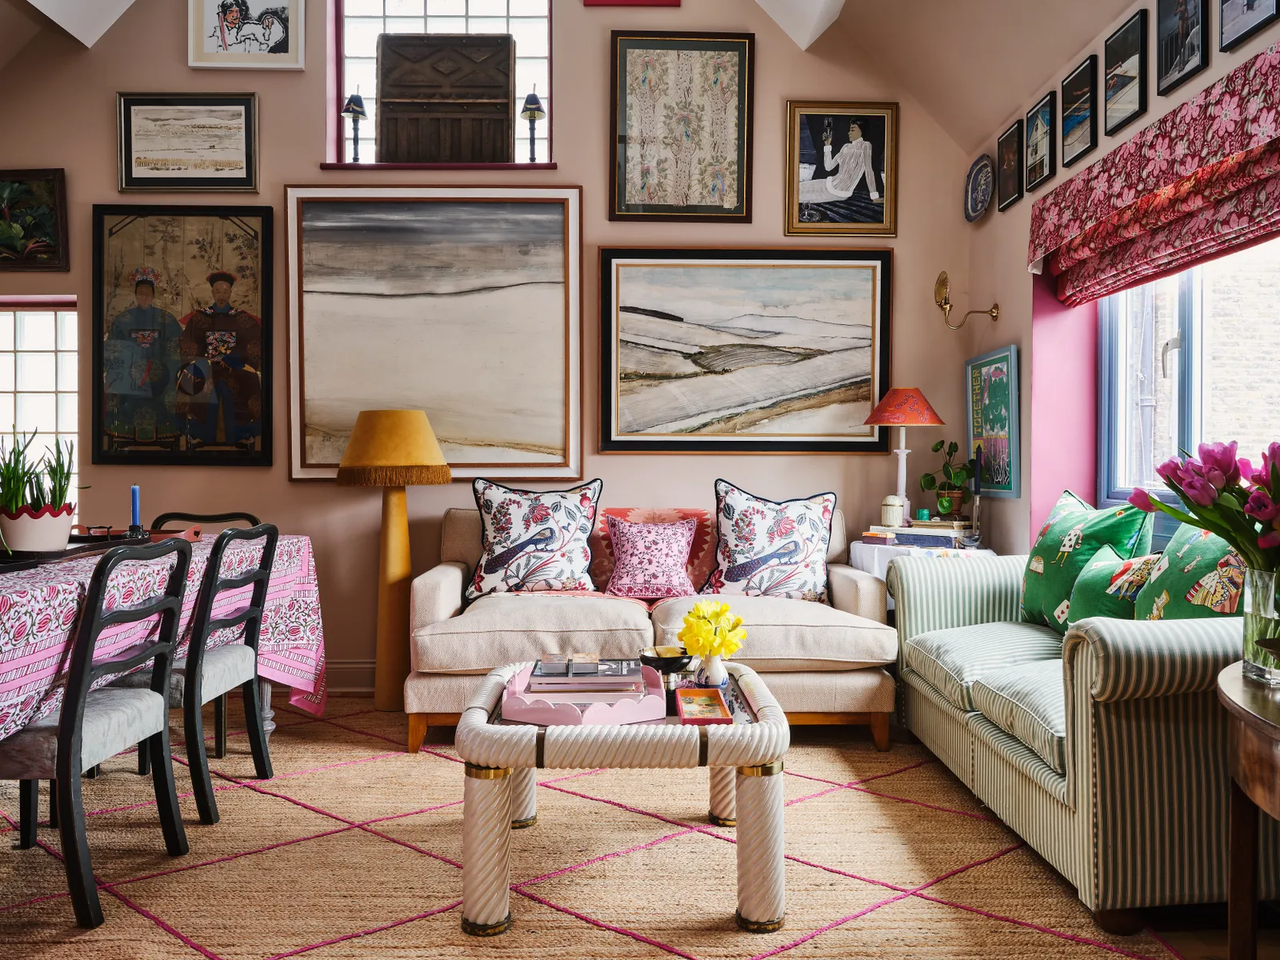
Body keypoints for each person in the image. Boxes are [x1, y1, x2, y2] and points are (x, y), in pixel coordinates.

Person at [177, 270, 263, 449]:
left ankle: (243, 434)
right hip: (206, 367)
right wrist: (202, 359)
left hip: (235, 367)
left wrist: (235, 357)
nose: (221, 295)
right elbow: (189, 343)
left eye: (225, 291)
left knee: (250, 381)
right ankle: (198, 433)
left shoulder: (241, 319)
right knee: (189, 382)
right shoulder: (201, 317)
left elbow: (253, 342)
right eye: (218, 291)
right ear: (212, 293)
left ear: (231, 292)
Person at [102, 267, 185, 448]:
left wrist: (163, 365)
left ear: (153, 295)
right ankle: (124, 432)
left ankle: (165, 431)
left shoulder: (166, 318)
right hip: (130, 372)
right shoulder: (123, 319)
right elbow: (115, 348)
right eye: (141, 293)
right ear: (135, 295)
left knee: (169, 383)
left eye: (148, 293)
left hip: (160, 372)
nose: (144, 296)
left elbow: (175, 345)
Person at [798, 119, 881, 205]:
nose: (849, 133)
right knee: (796, 188)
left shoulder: (866, 145)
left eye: (853, 130)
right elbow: (828, 167)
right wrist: (827, 146)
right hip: (829, 183)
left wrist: (874, 196)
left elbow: (869, 171)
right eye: (849, 130)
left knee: (797, 196)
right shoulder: (846, 147)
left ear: (862, 131)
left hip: (839, 192)